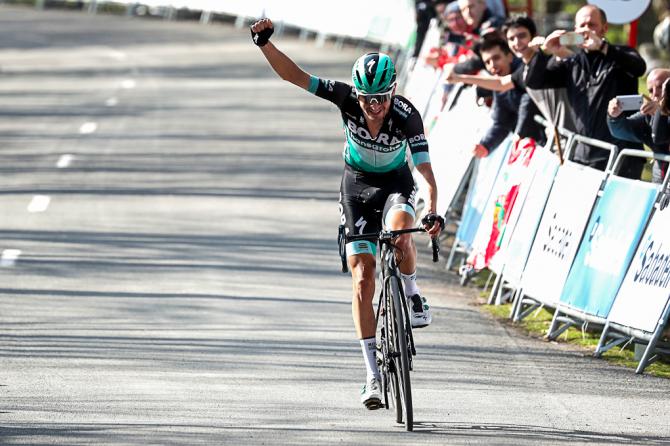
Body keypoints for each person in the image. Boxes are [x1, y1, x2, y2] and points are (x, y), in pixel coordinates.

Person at [249, 18, 444, 410]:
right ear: (358, 94)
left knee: (401, 230)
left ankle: (412, 291)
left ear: (393, 92)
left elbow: (426, 173)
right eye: (368, 100)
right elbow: (295, 76)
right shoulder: (345, 97)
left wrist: (434, 212)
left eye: (382, 99)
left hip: (394, 183)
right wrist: (264, 45)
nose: (374, 108)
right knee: (361, 278)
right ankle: (372, 374)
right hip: (355, 184)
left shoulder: (407, 115)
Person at [525, 5, 647, 178]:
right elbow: (534, 82)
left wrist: (603, 47)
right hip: (584, 154)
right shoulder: (572, 63)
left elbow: (639, 68)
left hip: (620, 156)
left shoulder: (620, 55)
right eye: (581, 26)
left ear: (604, 29)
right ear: (574, 30)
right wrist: (542, 51)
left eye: (592, 25)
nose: (586, 30)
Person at [445, 16, 576, 132]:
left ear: (534, 35)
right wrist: (459, 78)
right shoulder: (523, 70)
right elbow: (501, 83)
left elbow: (573, 60)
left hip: (577, 134)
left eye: (522, 36)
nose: (517, 42)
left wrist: (553, 49)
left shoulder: (548, 57)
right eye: (511, 38)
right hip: (563, 137)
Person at [464, 36, 544, 158]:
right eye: (487, 62)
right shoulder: (499, 85)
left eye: (496, 58)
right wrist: (486, 146)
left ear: (510, 56)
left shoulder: (525, 69)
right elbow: (501, 122)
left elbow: (528, 99)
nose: (493, 66)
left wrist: (520, 134)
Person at [607, 69, 670, 183]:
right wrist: (614, 117)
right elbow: (620, 130)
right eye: (651, 90)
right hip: (661, 181)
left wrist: (663, 111)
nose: (655, 94)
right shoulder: (649, 114)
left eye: (661, 87)